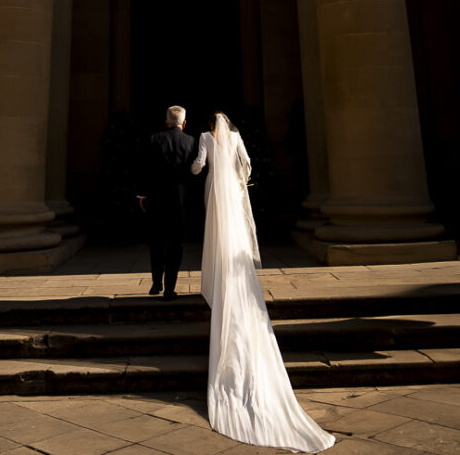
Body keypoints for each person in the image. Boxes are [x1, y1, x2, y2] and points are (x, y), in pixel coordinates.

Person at [192, 112, 335, 452]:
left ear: (212, 126)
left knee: (216, 239)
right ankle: (232, 272)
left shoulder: (205, 138)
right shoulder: (237, 139)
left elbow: (198, 165)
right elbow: (248, 166)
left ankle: (217, 277)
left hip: (214, 191)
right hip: (231, 191)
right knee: (236, 239)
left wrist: (198, 170)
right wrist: (241, 182)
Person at [137, 104, 196, 301]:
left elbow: (145, 169)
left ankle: (156, 282)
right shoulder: (191, 142)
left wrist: (142, 195)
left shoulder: (155, 139)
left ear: (166, 122)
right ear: (184, 123)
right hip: (180, 201)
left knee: (156, 242)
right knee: (175, 245)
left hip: (157, 198)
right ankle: (170, 288)